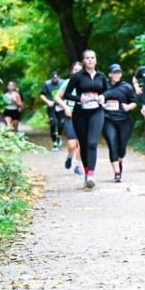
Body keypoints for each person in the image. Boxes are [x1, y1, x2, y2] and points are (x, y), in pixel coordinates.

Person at [55, 51, 108, 189]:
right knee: (83, 144)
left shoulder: (101, 76)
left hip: (97, 112)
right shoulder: (77, 76)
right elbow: (66, 95)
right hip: (80, 113)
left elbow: (107, 91)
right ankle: (86, 173)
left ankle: (91, 175)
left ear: (96, 60)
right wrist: (79, 98)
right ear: (84, 60)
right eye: (87, 58)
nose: (90, 60)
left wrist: (103, 97)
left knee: (92, 143)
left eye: (92, 58)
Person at [102, 63, 139, 182]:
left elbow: (134, 102)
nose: (116, 74)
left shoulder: (126, 87)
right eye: (114, 72)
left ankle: (120, 159)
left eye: (118, 72)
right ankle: (117, 173)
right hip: (107, 120)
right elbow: (98, 98)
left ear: (121, 74)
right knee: (112, 145)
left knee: (121, 148)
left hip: (124, 121)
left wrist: (128, 107)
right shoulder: (103, 85)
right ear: (110, 74)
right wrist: (101, 103)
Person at [57, 61, 83, 175]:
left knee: (81, 142)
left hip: (83, 116)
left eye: (80, 70)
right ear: (72, 71)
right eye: (76, 70)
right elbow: (57, 97)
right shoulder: (67, 82)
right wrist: (66, 107)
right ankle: (69, 155)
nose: (78, 72)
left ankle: (78, 165)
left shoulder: (86, 83)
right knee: (72, 144)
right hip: (70, 116)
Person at [39, 71, 66, 150]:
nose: (55, 79)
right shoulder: (47, 84)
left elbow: (69, 92)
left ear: (59, 77)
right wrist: (48, 101)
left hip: (61, 105)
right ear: (51, 78)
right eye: (53, 78)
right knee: (53, 124)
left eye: (56, 77)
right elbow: (42, 94)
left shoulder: (63, 83)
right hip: (52, 106)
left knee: (61, 124)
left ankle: (59, 137)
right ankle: (54, 144)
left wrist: (65, 101)